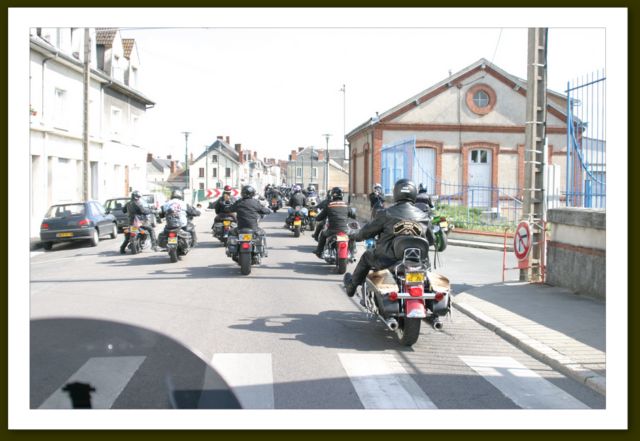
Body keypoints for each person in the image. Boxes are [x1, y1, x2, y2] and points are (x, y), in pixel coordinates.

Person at [344, 179, 434, 299]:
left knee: (366, 256)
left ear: (396, 193)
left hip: (387, 262)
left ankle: (351, 287)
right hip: (418, 263)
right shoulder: (424, 216)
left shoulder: (386, 213)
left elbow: (364, 233)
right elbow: (431, 241)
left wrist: (353, 235)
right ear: (414, 194)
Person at [222, 185, 272, 252]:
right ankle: (264, 251)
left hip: (240, 228)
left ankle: (231, 251)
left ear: (242, 193)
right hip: (253, 228)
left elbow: (229, 209)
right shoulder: (255, 202)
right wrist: (269, 210)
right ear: (253, 193)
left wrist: (226, 208)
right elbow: (264, 210)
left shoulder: (239, 202)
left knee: (231, 232)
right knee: (263, 233)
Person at [313, 187, 354, 258]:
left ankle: (319, 251)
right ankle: (352, 253)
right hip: (345, 230)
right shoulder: (346, 205)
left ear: (332, 195)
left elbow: (320, 217)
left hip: (332, 230)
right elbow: (353, 215)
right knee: (352, 236)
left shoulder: (329, 205)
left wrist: (316, 218)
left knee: (323, 234)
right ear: (342, 195)